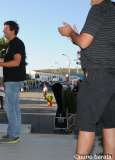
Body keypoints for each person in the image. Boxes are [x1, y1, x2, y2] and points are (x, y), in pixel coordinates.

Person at [58, 0, 115, 159]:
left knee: (86, 125)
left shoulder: (98, 8)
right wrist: (76, 38)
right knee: (110, 126)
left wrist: (71, 33)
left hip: (97, 76)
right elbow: (97, 45)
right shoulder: (112, 10)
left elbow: (84, 41)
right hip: (111, 76)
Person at [0, 21, 26, 144]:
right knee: (12, 107)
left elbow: (16, 62)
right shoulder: (11, 44)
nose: (3, 31)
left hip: (14, 80)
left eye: (5, 29)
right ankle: (11, 133)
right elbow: (7, 60)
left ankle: (14, 135)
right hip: (11, 80)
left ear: (12, 30)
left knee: (11, 108)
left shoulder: (17, 43)